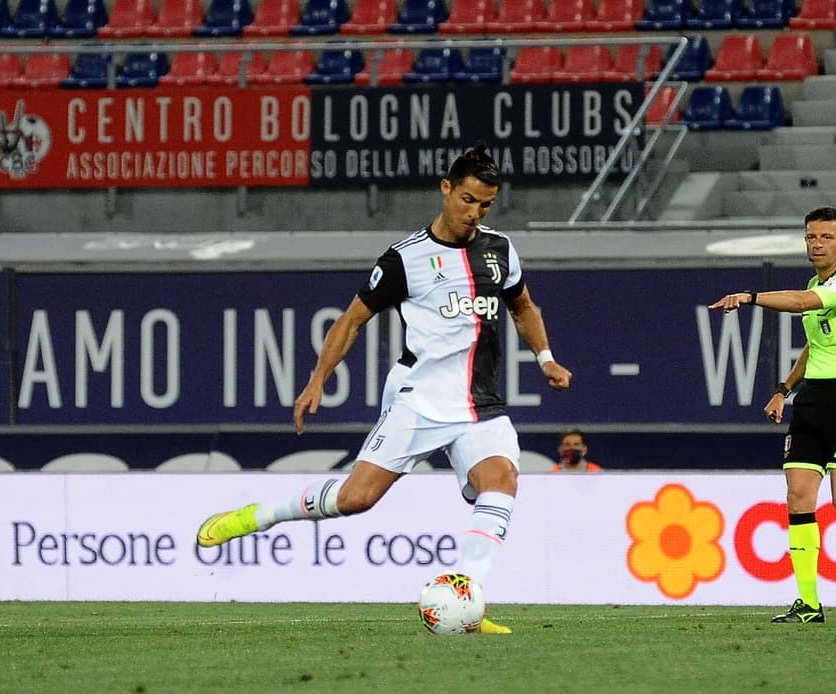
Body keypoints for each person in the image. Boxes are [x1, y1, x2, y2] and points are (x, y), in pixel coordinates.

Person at [195, 143, 573, 634]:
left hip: (480, 404)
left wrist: (545, 358)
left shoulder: (499, 250)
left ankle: (467, 598)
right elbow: (352, 321)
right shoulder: (405, 260)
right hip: (420, 399)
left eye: (485, 204)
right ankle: (261, 515)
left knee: (501, 482)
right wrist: (317, 380)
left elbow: (523, 306)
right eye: (466, 199)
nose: (474, 212)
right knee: (355, 500)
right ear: (445, 189)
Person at [709, 206, 836, 624]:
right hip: (813, 402)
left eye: (826, 237)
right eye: (811, 236)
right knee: (798, 497)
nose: (816, 244)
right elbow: (815, 347)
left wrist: (750, 297)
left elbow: (802, 302)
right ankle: (809, 604)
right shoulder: (818, 282)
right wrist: (783, 390)